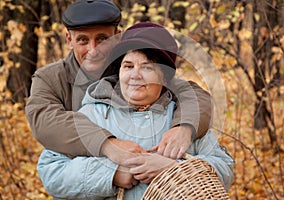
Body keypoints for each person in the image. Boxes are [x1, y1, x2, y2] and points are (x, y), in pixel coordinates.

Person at [37, 22, 234, 199]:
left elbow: (224, 167)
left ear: (164, 78)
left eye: (147, 68)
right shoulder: (92, 115)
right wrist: (111, 174)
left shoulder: (181, 118)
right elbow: (51, 170)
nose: (135, 75)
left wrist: (175, 170)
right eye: (128, 66)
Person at [25, 0, 212, 164]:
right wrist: (108, 144)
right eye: (83, 40)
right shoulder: (50, 78)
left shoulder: (131, 70)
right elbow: (44, 121)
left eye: (102, 39)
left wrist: (184, 127)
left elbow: (194, 95)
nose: (93, 50)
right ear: (69, 40)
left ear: (118, 36)